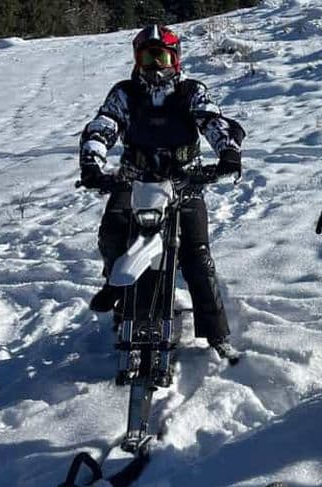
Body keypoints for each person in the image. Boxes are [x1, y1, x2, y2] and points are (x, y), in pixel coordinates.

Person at [78, 24, 244, 361]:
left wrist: (227, 152)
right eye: (148, 57)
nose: (155, 66)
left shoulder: (191, 91)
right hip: (134, 178)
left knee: (197, 256)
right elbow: (105, 123)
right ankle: (116, 286)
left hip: (185, 180)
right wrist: (92, 162)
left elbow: (211, 120)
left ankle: (217, 335)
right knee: (113, 233)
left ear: (175, 58)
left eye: (162, 57)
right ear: (137, 59)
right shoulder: (125, 93)